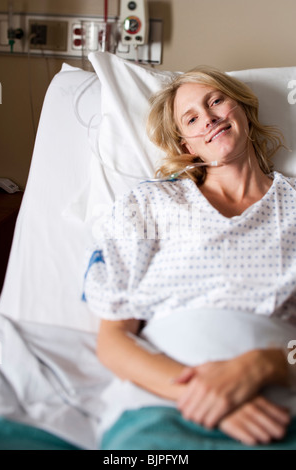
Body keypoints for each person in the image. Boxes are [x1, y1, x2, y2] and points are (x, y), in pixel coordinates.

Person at [83, 66, 296, 450]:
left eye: (216, 101)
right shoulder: (147, 205)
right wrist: (203, 394)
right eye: (192, 118)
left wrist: (271, 364)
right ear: (187, 146)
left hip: (278, 410)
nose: (209, 118)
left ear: (244, 110)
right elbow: (113, 340)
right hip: (162, 408)